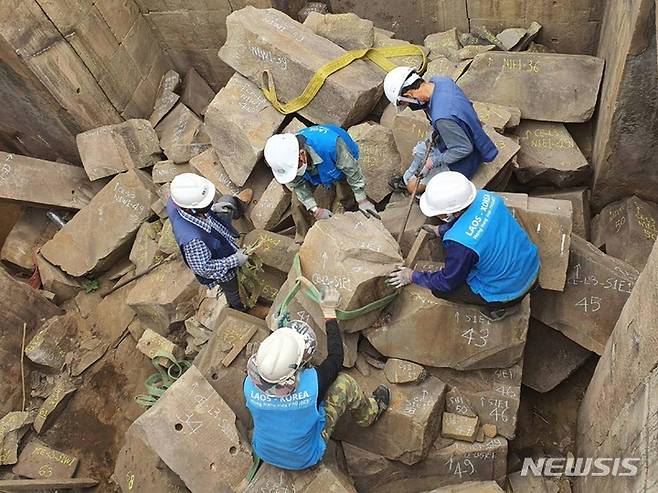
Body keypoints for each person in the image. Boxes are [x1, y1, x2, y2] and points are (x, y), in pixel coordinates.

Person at [244, 287, 390, 470]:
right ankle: (369, 414)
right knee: (344, 384)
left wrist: (278, 330)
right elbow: (336, 358)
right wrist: (329, 313)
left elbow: (275, 365)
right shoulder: (312, 385)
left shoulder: (249, 385)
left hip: (264, 451)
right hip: (305, 457)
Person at [386, 172, 540, 321]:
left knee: (440, 291)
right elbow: (474, 219)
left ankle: (501, 306)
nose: (437, 216)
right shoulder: (486, 197)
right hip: (532, 266)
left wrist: (411, 276)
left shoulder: (461, 244)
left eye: (438, 213)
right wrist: (439, 230)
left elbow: (447, 281)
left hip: (510, 290)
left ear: (450, 212)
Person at [383, 66, 498, 194]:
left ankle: (417, 187)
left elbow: (464, 149)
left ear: (408, 94)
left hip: (465, 159)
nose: (410, 106)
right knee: (422, 150)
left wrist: (434, 161)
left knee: (412, 187)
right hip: (452, 136)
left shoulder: (442, 117)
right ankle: (406, 179)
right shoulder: (440, 82)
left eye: (407, 103)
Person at [264, 124, 378, 240]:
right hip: (311, 166)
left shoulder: (331, 145)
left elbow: (351, 170)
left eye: (294, 170)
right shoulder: (287, 159)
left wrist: (362, 199)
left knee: (344, 192)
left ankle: (352, 209)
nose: (294, 175)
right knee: (297, 203)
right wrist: (315, 209)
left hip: (337, 159)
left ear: (302, 155)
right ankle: (303, 238)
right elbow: (298, 185)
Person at [167, 173, 253, 312]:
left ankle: (238, 210)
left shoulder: (178, 199)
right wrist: (234, 260)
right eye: (205, 204)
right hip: (222, 263)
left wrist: (212, 210)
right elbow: (204, 269)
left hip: (214, 231)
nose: (210, 202)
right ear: (191, 209)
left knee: (227, 201)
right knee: (232, 288)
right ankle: (239, 307)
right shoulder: (193, 240)